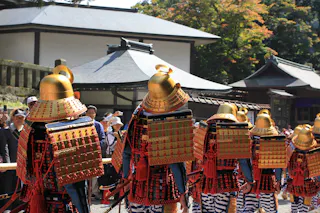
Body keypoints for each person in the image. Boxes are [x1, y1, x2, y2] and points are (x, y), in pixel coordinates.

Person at [14, 64, 104, 213]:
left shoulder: (29, 130)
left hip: (36, 201)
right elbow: (75, 186)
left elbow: (25, 174)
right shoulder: (72, 131)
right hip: (61, 205)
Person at [121, 65, 191, 213]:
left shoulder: (137, 115)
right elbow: (176, 163)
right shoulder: (170, 120)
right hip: (161, 186)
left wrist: (126, 178)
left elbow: (126, 152)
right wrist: (183, 192)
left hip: (137, 184)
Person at [191, 103, 250, 213]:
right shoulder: (236, 130)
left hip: (206, 182)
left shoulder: (204, 130)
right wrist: (250, 181)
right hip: (226, 182)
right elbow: (243, 161)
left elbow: (195, 156)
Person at [239, 112, 282, 213]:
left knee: (249, 208)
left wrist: (249, 181)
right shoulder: (274, 143)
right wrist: (278, 181)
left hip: (252, 179)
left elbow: (243, 163)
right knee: (271, 210)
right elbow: (278, 165)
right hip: (267, 181)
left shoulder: (249, 142)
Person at [287, 125, 319, 212]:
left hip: (293, 182)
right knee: (304, 208)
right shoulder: (313, 154)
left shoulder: (291, 152)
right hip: (307, 183)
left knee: (294, 206)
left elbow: (286, 166)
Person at [86, 105, 106, 200]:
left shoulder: (98, 125)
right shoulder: (81, 124)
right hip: (83, 153)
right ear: (86, 113)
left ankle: (94, 192)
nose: (90, 114)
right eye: (89, 112)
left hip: (94, 152)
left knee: (94, 174)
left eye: (92, 112)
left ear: (95, 114)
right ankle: (84, 192)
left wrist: (96, 147)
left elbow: (103, 139)